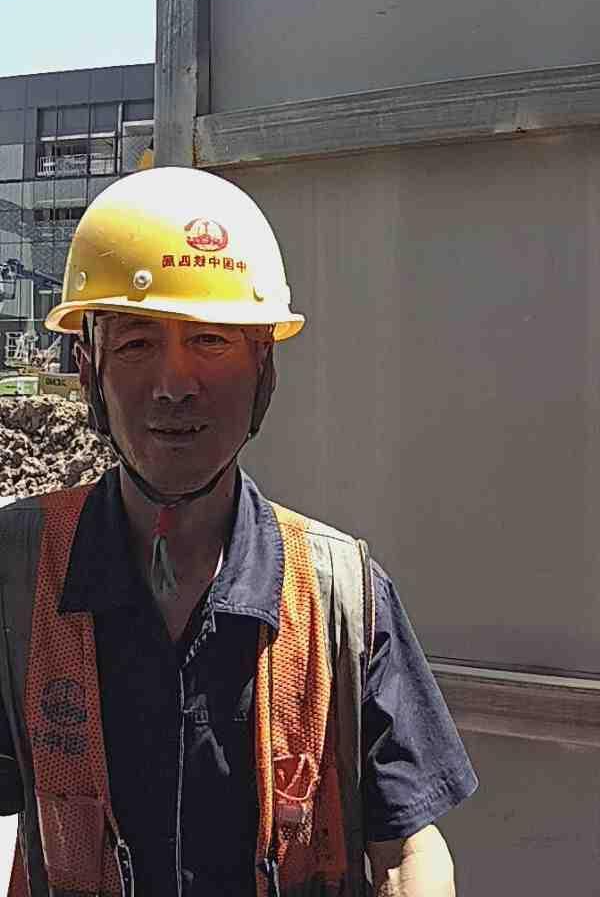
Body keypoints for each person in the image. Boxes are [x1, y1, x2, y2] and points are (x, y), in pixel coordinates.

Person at [0, 167, 477, 897]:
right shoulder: (19, 572)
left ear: (264, 369)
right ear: (88, 369)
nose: (174, 385)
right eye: (136, 344)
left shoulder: (339, 597)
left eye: (212, 340)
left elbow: (408, 843)